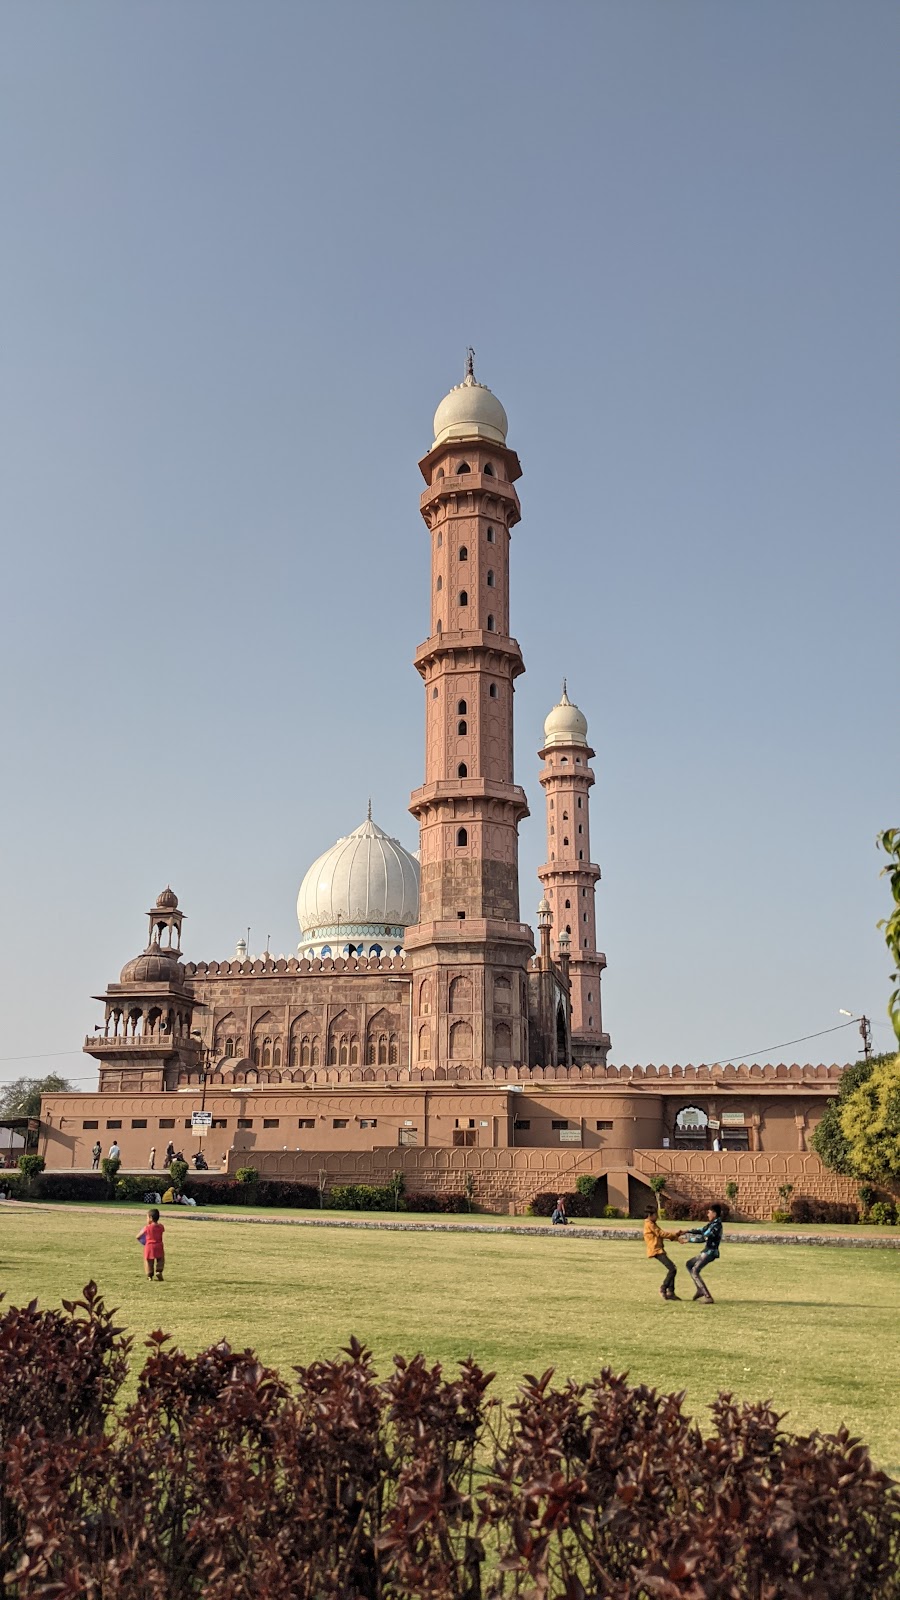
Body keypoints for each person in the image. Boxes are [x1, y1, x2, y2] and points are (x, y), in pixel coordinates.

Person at [643, 1205, 685, 1300]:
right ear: (650, 1215)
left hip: (659, 1249)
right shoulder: (649, 1224)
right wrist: (676, 1234)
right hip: (656, 1250)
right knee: (672, 1269)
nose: (657, 1216)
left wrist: (676, 1238)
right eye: (655, 1215)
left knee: (672, 1268)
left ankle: (671, 1293)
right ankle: (664, 1288)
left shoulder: (652, 1223)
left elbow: (662, 1235)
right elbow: (661, 1234)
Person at [685, 1204, 724, 1303]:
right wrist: (687, 1231)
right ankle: (699, 1289)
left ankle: (707, 1296)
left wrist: (687, 1240)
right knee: (689, 1264)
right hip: (706, 1251)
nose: (708, 1214)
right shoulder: (712, 1224)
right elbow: (701, 1230)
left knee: (694, 1270)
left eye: (709, 1212)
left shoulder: (716, 1226)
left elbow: (703, 1237)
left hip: (710, 1252)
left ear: (714, 1214)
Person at [137, 1207, 165, 1281]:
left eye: (147, 1218)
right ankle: (159, 1271)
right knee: (160, 1259)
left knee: (149, 1261)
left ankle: (149, 1275)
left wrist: (143, 1241)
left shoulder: (147, 1227)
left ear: (150, 1218)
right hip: (159, 1245)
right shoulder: (161, 1227)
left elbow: (138, 1236)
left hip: (149, 1246)